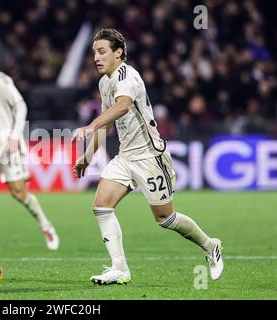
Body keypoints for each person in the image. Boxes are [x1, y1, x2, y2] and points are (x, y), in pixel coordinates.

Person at [73, 29, 223, 284]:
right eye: (94, 53)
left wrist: (91, 125)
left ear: (118, 52)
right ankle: (120, 269)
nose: (96, 58)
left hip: (149, 156)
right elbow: (109, 125)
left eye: (101, 52)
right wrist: (87, 156)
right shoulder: (104, 82)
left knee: (165, 218)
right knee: (101, 206)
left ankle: (210, 246)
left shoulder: (127, 75)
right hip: (125, 157)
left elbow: (122, 106)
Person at [0, 39, 59, 251]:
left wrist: (16, 136)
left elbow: (20, 106)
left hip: (8, 141)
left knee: (18, 193)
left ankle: (45, 223)